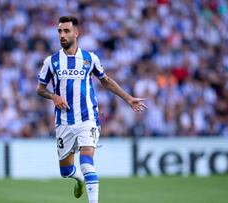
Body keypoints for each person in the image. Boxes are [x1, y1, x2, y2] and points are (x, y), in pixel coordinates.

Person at [36, 16, 147, 203]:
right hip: (63, 121)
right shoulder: (51, 62)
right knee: (65, 171)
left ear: (76, 33)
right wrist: (53, 96)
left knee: (87, 161)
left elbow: (106, 81)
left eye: (66, 31)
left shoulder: (90, 58)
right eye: (60, 32)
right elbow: (40, 89)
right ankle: (77, 179)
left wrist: (128, 98)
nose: (62, 35)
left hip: (88, 118)